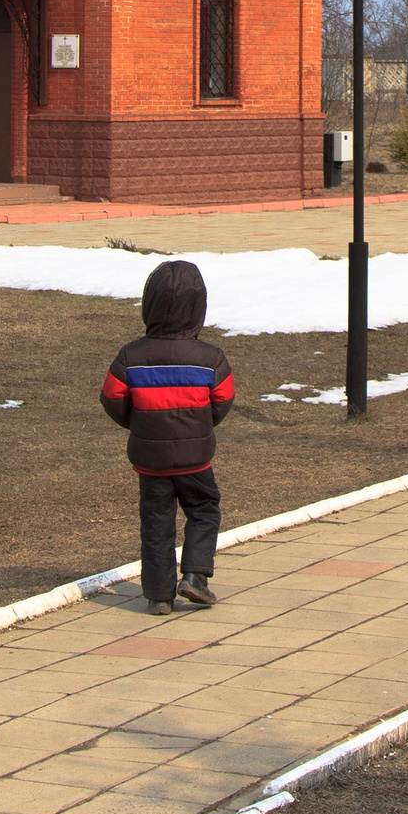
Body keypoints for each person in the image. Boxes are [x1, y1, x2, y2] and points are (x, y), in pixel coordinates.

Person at [100, 259, 234, 615]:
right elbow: (223, 398)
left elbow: (111, 397)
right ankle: (194, 576)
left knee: (157, 525)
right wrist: (200, 423)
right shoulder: (211, 358)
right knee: (204, 510)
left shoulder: (131, 356)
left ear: (149, 304)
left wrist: (141, 424)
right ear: (199, 308)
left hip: (151, 460)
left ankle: (159, 596)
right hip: (196, 458)